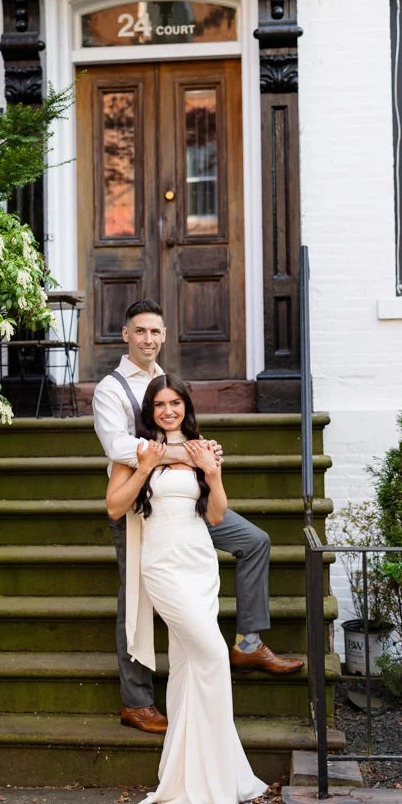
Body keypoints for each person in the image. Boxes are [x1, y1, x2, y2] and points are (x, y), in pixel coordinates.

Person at [92, 300, 302, 735]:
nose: (148, 339)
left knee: (254, 541)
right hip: (141, 503)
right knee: (134, 600)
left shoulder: (166, 385)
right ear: (125, 334)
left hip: (188, 503)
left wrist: (204, 456)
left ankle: (247, 642)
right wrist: (187, 456)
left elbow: (182, 431)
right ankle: (137, 702)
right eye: (140, 332)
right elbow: (118, 447)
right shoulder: (110, 390)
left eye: (155, 332)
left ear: (164, 336)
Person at [106, 374, 268, 804]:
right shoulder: (134, 449)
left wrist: (213, 475)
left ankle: (189, 773)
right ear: (149, 410)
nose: (168, 411)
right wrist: (144, 466)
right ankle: (216, 769)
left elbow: (216, 517)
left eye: (175, 403)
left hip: (200, 564)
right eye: (159, 404)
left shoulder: (201, 448)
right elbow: (115, 507)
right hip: (161, 565)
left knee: (187, 666)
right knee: (215, 655)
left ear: (185, 407)